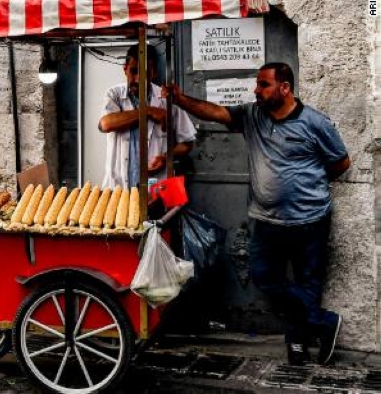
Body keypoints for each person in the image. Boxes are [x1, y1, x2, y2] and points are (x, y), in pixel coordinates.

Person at [166, 62, 349, 366]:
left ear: (285, 88)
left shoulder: (314, 122)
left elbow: (341, 162)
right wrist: (179, 98)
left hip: (310, 221)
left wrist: (307, 185)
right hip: (266, 221)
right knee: (265, 276)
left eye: (264, 84)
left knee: (308, 281)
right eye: (257, 84)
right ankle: (324, 320)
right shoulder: (253, 116)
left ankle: (298, 343)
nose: (256, 90)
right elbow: (215, 112)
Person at [98, 44, 196, 189]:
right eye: (134, 71)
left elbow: (187, 142)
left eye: (145, 73)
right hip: (119, 188)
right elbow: (106, 124)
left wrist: (165, 157)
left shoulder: (166, 99)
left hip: (157, 186)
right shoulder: (114, 95)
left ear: (154, 72)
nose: (138, 79)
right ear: (125, 69)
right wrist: (148, 111)